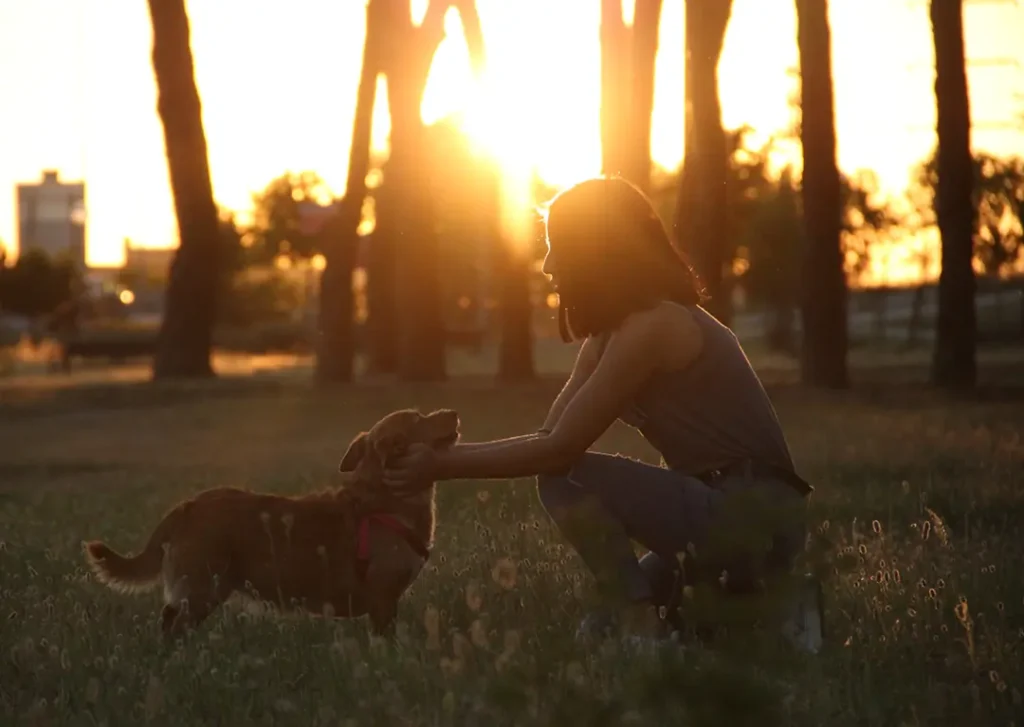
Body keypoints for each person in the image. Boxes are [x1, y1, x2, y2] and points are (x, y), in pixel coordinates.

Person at [385, 176, 818, 648]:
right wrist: (445, 459)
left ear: (597, 250)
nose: (548, 264)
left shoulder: (656, 325)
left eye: (558, 247)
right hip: (713, 516)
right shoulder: (609, 337)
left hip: (753, 513)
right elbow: (549, 434)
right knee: (598, 632)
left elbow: (558, 454)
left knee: (565, 480)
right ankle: (770, 606)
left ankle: (650, 623)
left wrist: (443, 465)